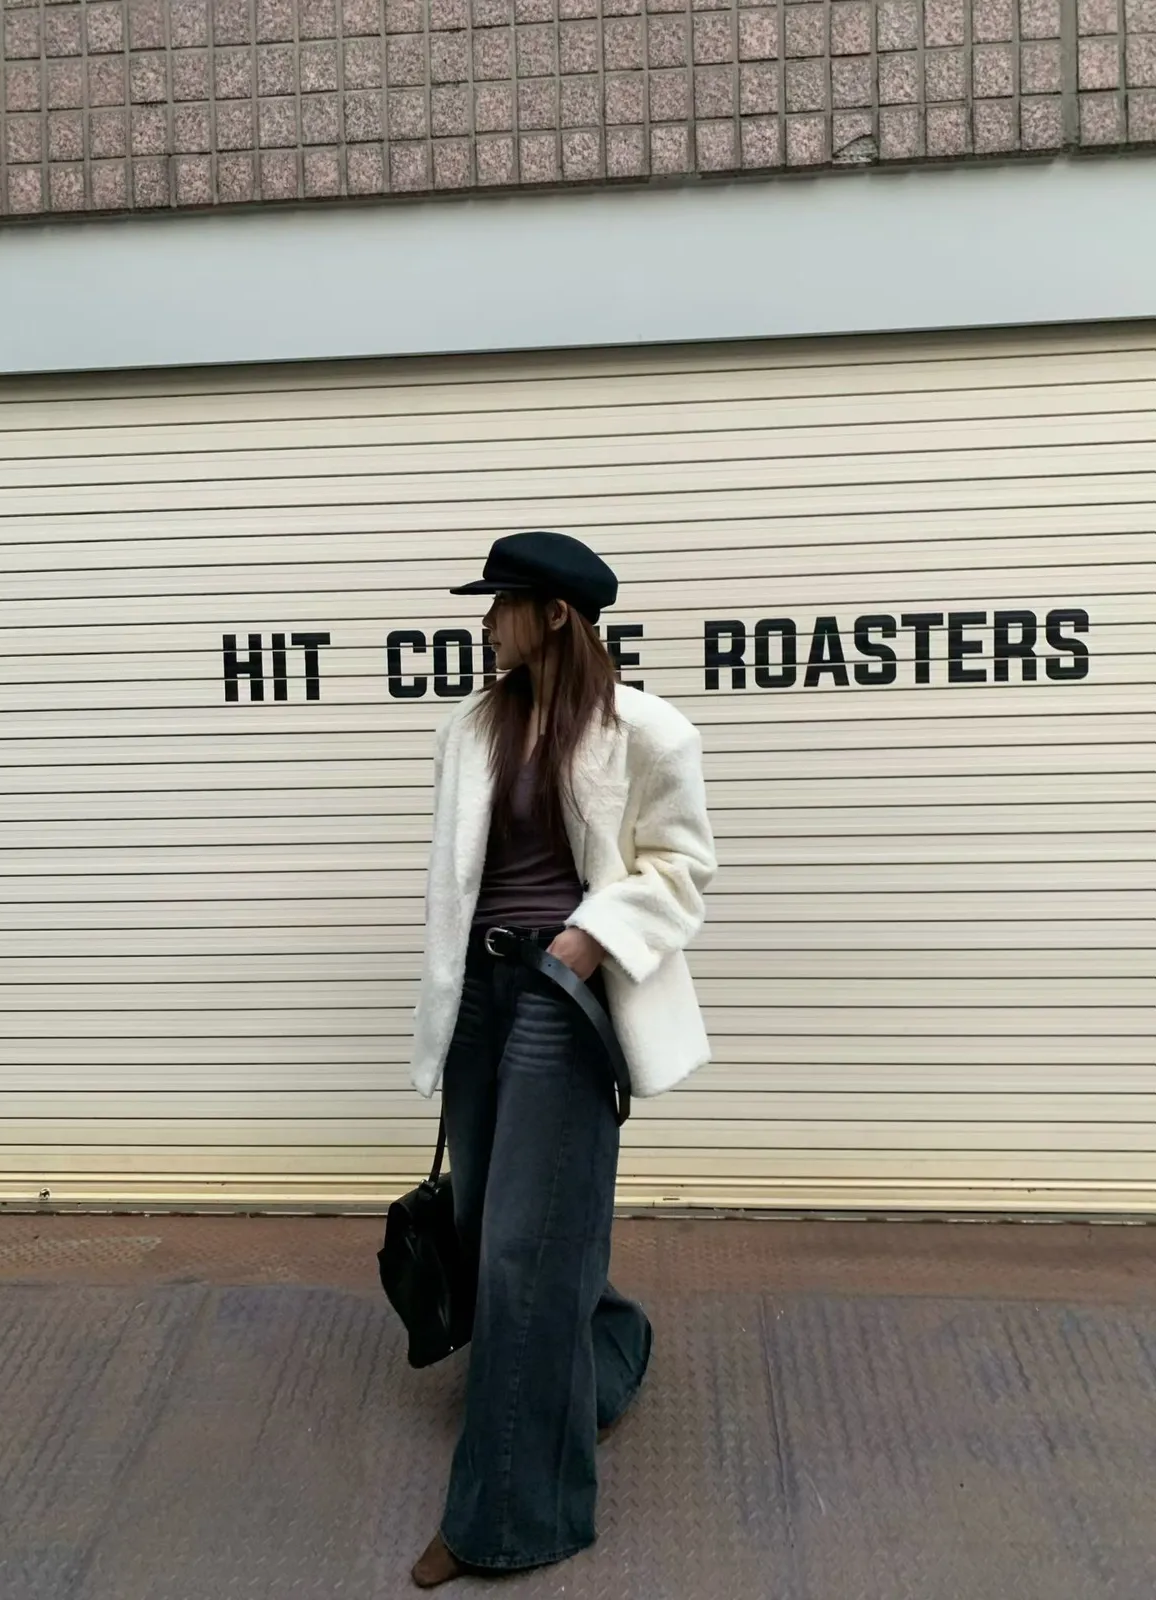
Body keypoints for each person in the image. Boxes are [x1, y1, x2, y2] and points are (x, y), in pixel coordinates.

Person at [408, 529, 716, 1588]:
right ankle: (606, 1352)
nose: (483, 621)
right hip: (480, 995)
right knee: (496, 1221)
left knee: (520, 1254)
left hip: (561, 988)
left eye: (499, 603)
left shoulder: (648, 729)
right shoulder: (472, 725)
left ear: (553, 615)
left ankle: (509, 1517)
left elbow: (681, 867)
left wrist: (588, 939)